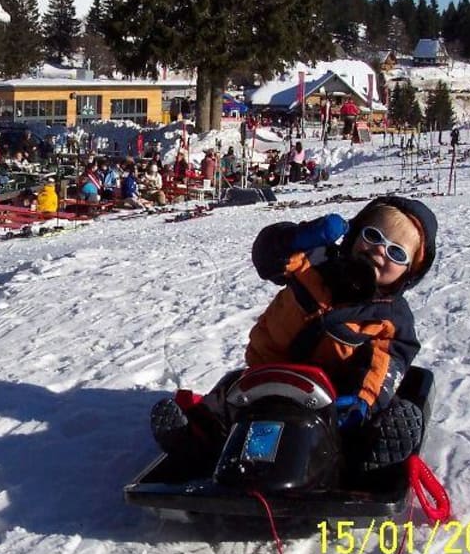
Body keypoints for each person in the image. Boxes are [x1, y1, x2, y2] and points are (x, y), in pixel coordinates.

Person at [149, 196, 438, 471]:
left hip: (334, 400)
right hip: (266, 377)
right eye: (373, 236)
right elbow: (266, 256)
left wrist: (362, 401)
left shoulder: (389, 316)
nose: (379, 251)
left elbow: (386, 364)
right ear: (354, 234)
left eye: (396, 252)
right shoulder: (315, 263)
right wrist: (297, 238)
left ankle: (367, 456)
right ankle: (197, 437)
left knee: (377, 418)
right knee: (227, 395)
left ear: (409, 272)